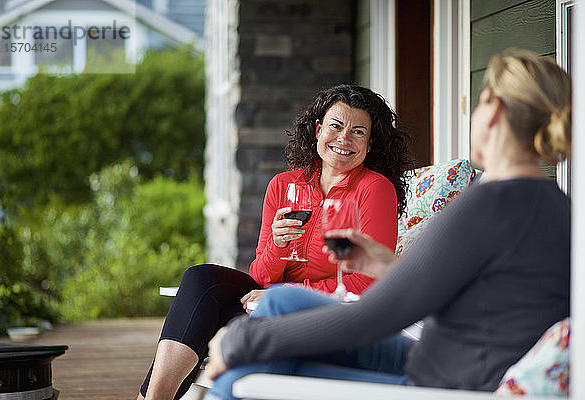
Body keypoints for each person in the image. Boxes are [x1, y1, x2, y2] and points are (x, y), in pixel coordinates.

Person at [204, 49, 572, 399]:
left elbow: (371, 318)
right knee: (283, 300)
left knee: (250, 367)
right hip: (443, 361)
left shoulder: (490, 202)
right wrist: (388, 265)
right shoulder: (556, 204)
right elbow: (483, 292)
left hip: (437, 384)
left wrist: (238, 340)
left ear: (493, 111)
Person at [137, 84, 413, 399]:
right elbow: (261, 276)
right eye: (335, 126)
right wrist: (277, 249)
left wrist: (285, 294)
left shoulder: (374, 188)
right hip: (266, 303)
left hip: (320, 314)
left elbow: (368, 281)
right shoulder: (284, 185)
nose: (344, 138)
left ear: (370, 143)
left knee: (201, 319)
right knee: (201, 279)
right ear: (318, 129)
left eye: (358, 132)